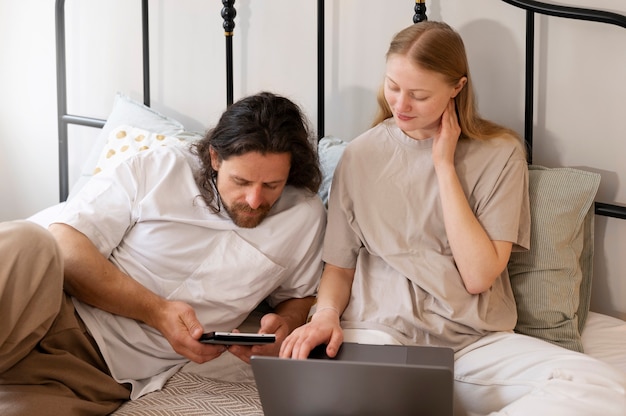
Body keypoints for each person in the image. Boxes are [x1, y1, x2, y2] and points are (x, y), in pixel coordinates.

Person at [280, 21, 626, 415]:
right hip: (380, 336)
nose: (400, 105)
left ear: (457, 88)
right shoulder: (360, 156)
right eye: (393, 86)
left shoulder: (500, 153)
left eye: (419, 95)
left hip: (472, 343)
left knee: (601, 387)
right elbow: (339, 268)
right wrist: (325, 316)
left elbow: (479, 276)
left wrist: (444, 166)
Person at [0, 92, 326, 415]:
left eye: (271, 185)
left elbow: (298, 296)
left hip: (94, 375)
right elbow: (66, 243)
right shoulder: (161, 165)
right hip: (47, 307)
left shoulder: (305, 216)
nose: (255, 200)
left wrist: (284, 324)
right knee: (29, 241)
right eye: (241, 181)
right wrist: (156, 311)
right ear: (215, 158)